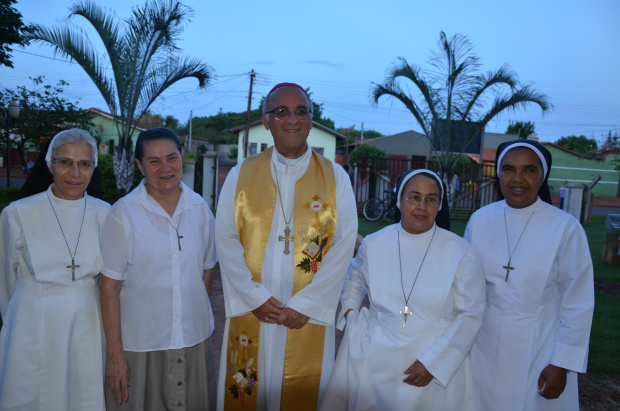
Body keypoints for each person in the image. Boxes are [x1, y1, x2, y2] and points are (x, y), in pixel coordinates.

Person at [215, 83, 358, 411]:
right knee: (246, 391)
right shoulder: (241, 175)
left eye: (301, 111)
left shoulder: (336, 179)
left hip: (306, 315)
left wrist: (307, 304)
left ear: (310, 119)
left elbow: (342, 245)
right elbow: (225, 239)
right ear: (266, 121)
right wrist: (254, 298)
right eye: (281, 112)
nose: (292, 119)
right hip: (254, 313)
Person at [320, 169, 485, 411]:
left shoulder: (461, 252)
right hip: (376, 356)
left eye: (431, 199)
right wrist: (351, 315)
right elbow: (354, 278)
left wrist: (434, 363)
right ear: (399, 200)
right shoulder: (374, 243)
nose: (421, 206)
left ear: (439, 205)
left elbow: (471, 315)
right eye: (414, 197)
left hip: (431, 358)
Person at [464, 140, 594, 411]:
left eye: (529, 170)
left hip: (540, 348)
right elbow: (464, 288)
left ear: (542, 176)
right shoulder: (480, 220)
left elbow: (578, 302)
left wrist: (562, 363)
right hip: (482, 347)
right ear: (498, 173)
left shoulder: (565, 227)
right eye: (509, 169)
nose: (518, 179)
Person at [100, 128, 218, 411]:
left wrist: (187, 318)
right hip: (142, 344)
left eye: (172, 158)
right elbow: (109, 287)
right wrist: (115, 354)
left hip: (193, 340)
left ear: (181, 158)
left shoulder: (200, 209)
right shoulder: (123, 213)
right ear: (140, 166)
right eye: (154, 161)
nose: (165, 168)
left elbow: (206, 272)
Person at [0, 128, 109, 411]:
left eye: (84, 164)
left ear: (93, 168)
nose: (75, 173)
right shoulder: (18, 213)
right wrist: (25, 310)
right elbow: (4, 281)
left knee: (82, 395)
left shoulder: (106, 214)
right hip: (32, 321)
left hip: (87, 321)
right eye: (65, 162)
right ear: (50, 165)